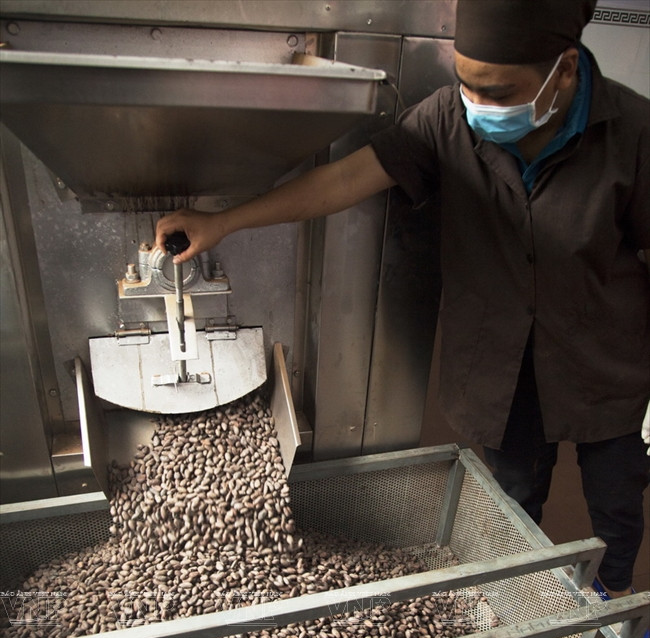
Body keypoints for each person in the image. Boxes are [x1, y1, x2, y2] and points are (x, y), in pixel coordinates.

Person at [156, 0, 650, 598]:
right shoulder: (449, 118)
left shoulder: (633, 131)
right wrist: (225, 221)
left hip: (606, 360)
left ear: (565, 69)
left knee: (617, 500)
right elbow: (343, 180)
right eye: (466, 84)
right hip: (501, 364)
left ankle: (611, 611)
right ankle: (522, 603)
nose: (478, 106)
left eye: (497, 91)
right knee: (514, 497)